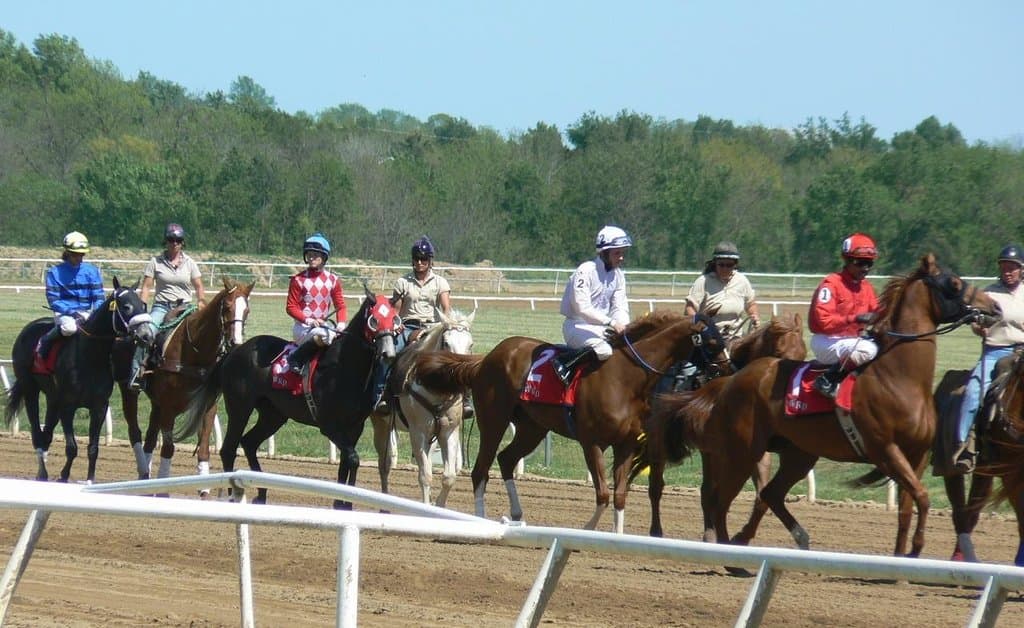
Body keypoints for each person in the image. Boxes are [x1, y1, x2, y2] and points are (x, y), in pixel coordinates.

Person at [372, 235, 465, 416]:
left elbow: (446, 308)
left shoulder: (440, 282)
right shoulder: (403, 282)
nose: (420, 262)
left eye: (424, 259)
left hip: (432, 327)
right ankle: (381, 395)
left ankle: (465, 398)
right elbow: (396, 311)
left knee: (455, 352)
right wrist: (395, 326)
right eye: (416, 259)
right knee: (388, 355)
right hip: (407, 328)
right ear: (412, 260)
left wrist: (445, 325)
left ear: (430, 261)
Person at [952, 243, 1024, 471]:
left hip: (1023, 349)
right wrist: (979, 327)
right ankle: (966, 445)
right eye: (1004, 266)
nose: (1008, 271)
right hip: (997, 351)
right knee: (974, 392)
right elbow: (976, 321)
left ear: (1022, 269)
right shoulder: (989, 293)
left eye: (1013, 267)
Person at [128, 223, 206, 389]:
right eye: (171, 239)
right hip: (162, 307)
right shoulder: (155, 262)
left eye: (178, 240)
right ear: (166, 241)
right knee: (145, 334)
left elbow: (199, 286)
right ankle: (136, 374)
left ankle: (207, 372)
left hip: (185, 308)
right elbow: (147, 286)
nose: (175, 243)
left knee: (203, 334)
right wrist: (142, 305)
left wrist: (200, 301)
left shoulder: (190, 263)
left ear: (182, 242)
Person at [552, 225, 632, 385]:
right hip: (576, 326)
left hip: (600, 328)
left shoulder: (618, 276)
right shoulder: (585, 270)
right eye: (617, 253)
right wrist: (612, 323)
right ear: (604, 253)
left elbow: (619, 307)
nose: (621, 257)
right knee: (604, 350)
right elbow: (582, 308)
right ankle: (564, 363)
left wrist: (625, 326)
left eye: (623, 253)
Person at [678, 241, 761, 389]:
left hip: (736, 339)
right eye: (721, 264)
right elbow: (690, 309)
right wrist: (698, 326)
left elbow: (751, 303)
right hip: (710, 340)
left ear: (735, 264)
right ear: (714, 263)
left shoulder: (742, 281)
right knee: (690, 370)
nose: (724, 268)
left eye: (729, 265)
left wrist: (754, 315)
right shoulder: (703, 281)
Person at [807, 232, 880, 398]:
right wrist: (855, 318)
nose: (866, 268)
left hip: (851, 341)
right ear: (847, 260)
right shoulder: (831, 284)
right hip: (826, 341)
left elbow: (877, 312)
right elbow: (824, 322)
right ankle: (827, 379)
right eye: (860, 263)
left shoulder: (866, 287)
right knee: (867, 350)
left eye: (869, 263)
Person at [285, 232, 347, 373]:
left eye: (315, 254)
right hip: (303, 328)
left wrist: (341, 324)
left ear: (324, 257)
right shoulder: (298, 280)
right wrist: (309, 320)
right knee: (326, 335)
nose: (311, 257)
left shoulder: (333, 280)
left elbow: (340, 306)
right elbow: (290, 307)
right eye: (309, 254)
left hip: (323, 326)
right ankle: (296, 358)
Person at [38, 231, 107, 358]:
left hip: (87, 312)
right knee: (70, 328)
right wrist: (72, 312)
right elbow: (54, 300)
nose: (79, 257)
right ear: (67, 252)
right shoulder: (54, 273)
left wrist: (96, 312)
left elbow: (98, 296)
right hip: (65, 313)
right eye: (75, 254)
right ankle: (46, 340)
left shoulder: (92, 271)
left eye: (81, 254)